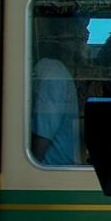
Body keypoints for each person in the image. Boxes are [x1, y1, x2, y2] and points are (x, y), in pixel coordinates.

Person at [31, 16, 87, 165]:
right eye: (80, 31)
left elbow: (45, 132)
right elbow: (44, 132)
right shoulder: (52, 71)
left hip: (57, 166)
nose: (85, 36)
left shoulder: (54, 71)